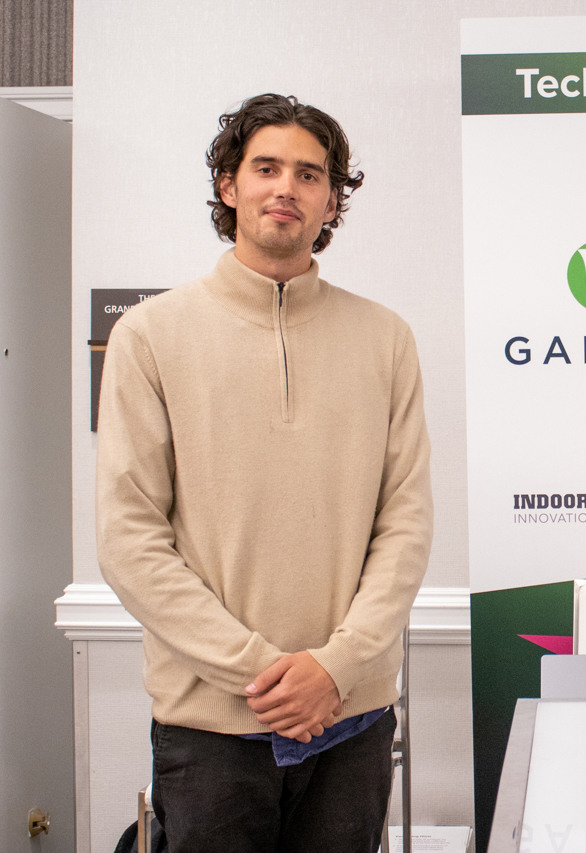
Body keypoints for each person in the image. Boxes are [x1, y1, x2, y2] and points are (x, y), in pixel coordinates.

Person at [96, 93, 433, 852]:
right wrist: (266, 674)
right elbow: (130, 541)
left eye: (310, 175)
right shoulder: (149, 335)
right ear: (229, 185)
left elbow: (406, 523)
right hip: (211, 726)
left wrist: (335, 668)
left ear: (332, 201)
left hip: (352, 717)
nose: (287, 188)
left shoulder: (386, 339)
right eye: (267, 168)